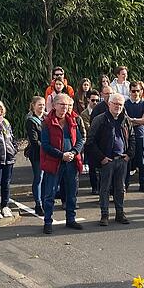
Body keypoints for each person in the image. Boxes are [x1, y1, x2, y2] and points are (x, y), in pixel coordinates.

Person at [86, 93, 135, 225]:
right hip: (107, 160)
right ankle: (104, 215)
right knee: (105, 188)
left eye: (120, 104)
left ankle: (120, 213)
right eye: (115, 103)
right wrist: (101, 158)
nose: (118, 106)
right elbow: (90, 142)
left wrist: (129, 154)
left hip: (122, 160)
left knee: (120, 188)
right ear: (109, 104)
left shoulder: (126, 119)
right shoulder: (99, 119)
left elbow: (132, 138)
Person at [40, 94, 84, 234]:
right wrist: (61, 155)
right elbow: (45, 145)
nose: (64, 107)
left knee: (71, 193)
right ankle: (48, 221)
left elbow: (80, 140)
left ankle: (71, 219)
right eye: (61, 104)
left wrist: (73, 152)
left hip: (71, 162)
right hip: (54, 163)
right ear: (54, 105)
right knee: (50, 194)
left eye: (66, 105)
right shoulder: (47, 122)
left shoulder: (72, 120)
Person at [124, 81, 144, 192]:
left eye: (138, 91)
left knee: (142, 161)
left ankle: (143, 184)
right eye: (133, 91)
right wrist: (138, 120)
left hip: (140, 135)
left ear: (141, 91)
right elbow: (125, 120)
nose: (135, 93)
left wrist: (132, 120)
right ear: (130, 91)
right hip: (128, 136)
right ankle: (125, 185)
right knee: (127, 160)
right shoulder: (125, 104)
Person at [25, 96, 46, 215]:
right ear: (33, 106)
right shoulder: (30, 120)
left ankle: (44, 201)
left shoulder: (46, 118)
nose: (42, 107)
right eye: (39, 105)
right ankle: (38, 204)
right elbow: (34, 140)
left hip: (47, 152)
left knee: (45, 179)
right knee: (39, 177)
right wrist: (47, 147)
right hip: (37, 153)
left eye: (43, 104)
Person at [81, 90, 101, 194]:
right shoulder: (84, 114)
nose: (95, 102)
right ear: (88, 100)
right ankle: (94, 187)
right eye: (93, 100)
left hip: (101, 142)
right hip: (90, 142)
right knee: (92, 167)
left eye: (97, 100)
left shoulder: (101, 110)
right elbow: (88, 128)